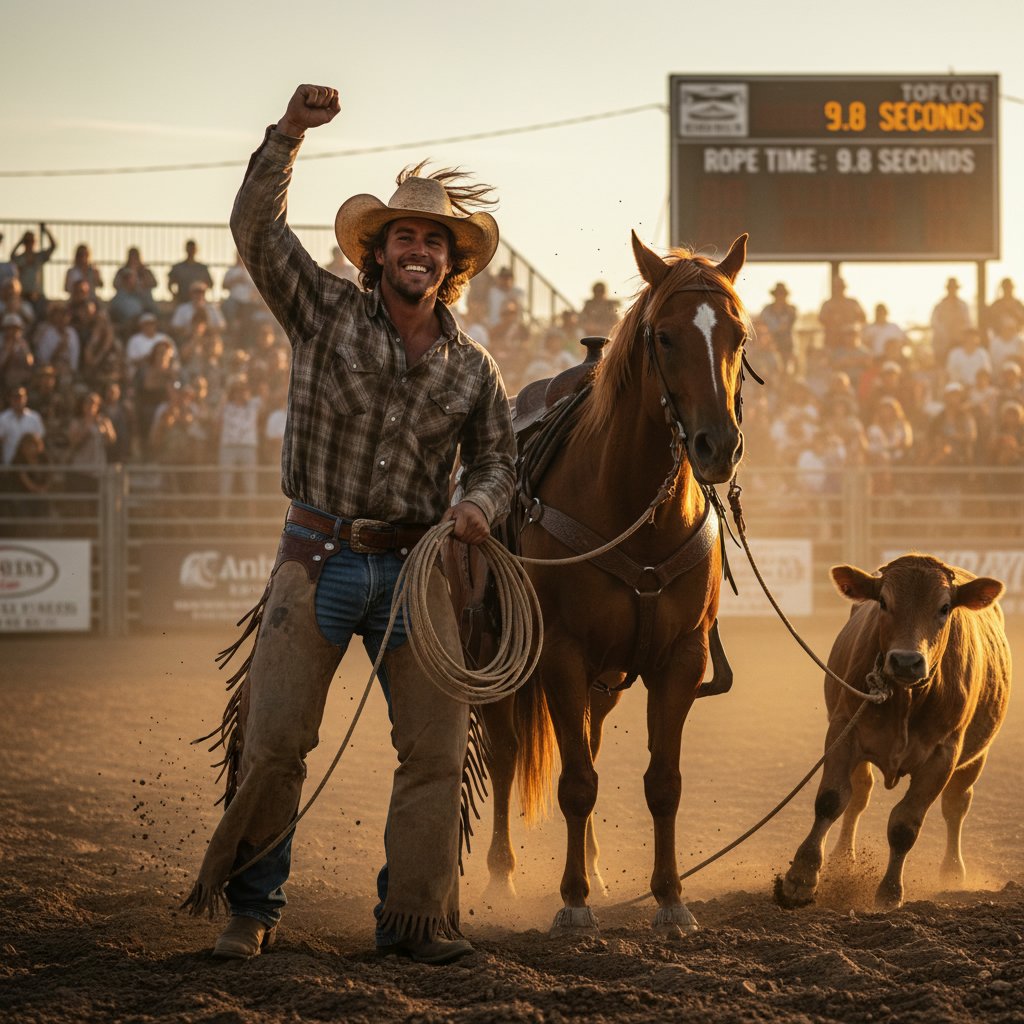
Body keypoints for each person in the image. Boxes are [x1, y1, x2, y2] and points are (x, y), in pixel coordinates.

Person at [182, 84, 515, 967]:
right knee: (276, 741)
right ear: (377, 255)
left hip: (415, 572)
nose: (418, 249)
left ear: (452, 265)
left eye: (433, 240)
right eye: (404, 236)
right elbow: (257, 232)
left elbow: (495, 463)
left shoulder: (474, 370)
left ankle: (415, 920)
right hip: (317, 559)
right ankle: (253, 910)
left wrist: (478, 505)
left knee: (438, 750)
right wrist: (288, 136)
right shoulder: (324, 312)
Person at [11, 226, 57, 318]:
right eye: (27, 241)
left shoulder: (39, 257)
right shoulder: (20, 258)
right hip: (24, 295)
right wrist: (20, 241)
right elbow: (12, 256)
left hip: (38, 295)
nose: (29, 243)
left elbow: (53, 246)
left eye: (31, 241)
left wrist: (46, 231)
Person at [0, 385, 46, 466]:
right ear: (10, 399)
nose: (18, 400)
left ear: (26, 398)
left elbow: (39, 441)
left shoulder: (34, 417)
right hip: (10, 465)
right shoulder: (3, 418)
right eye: (15, 397)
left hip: (30, 466)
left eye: (20, 397)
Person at [930, 277, 972, 364]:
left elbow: (968, 324)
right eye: (950, 288)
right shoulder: (940, 306)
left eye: (954, 288)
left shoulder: (963, 306)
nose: (952, 290)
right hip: (943, 344)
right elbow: (934, 323)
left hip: (959, 343)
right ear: (947, 289)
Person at [817, 276, 865, 350]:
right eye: (837, 287)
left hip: (851, 343)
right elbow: (821, 319)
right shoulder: (828, 304)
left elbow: (863, 317)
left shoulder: (852, 302)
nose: (839, 289)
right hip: (832, 342)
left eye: (841, 287)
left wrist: (852, 327)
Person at [759, 282, 797, 372]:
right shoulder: (766, 310)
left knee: (786, 372)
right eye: (778, 294)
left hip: (786, 346)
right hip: (768, 346)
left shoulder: (790, 310)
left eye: (782, 294)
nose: (780, 297)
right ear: (774, 296)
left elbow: (788, 325)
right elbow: (761, 326)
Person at [168, 239, 214, 305]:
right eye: (189, 248)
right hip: (182, 300)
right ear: (186, 249)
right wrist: (175, 297)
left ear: (196, 250)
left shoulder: (202, 268)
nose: (191, 250)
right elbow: (169, 285)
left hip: (199, 302)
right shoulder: (178, 267)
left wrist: (200, 291)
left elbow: (210, 284)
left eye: (192, 248)